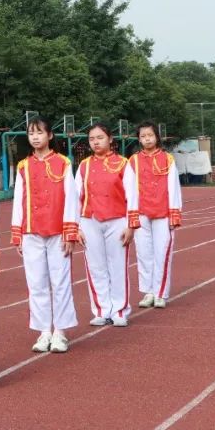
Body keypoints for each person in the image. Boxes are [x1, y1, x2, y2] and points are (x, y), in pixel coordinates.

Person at [10, 117, 78, 353]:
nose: (35, 137)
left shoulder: (63, 163)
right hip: (31, 231)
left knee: (60, 282)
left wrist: (70, 233)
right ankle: (43, 331)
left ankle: (60, 331)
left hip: (58, 231)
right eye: (31, 133)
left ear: (49, 136)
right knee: (36, 283)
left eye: (39, 132)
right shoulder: (23, 166)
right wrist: (17, 233)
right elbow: (18, 201)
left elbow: (71, 198)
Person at [73, 123, 138, 327]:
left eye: (100, 137)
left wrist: (131, 225)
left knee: (118, 265)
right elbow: (76, 197)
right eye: (92, 139)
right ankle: (101, 309)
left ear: (110, 139)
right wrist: (76, 226)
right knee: (95, 267)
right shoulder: (84, 166)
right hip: (90, 219)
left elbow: (132, 195)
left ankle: (119, 310)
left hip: (117, 219)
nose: (96, 142)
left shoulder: (123, 164)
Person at [129, 121, 183, 309]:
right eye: (143, 136)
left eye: (150, 135)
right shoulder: (133, 160)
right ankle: (148, 291)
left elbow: (174, 187)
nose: (147, 139)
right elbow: (129, 189)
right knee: (143, 254)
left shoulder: (167, 159)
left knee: (162, 252)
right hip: (141, 212)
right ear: (139, 139)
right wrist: (132, 213)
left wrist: (174, 213)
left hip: (162, 212)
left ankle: (160, 292)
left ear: (157, 137)